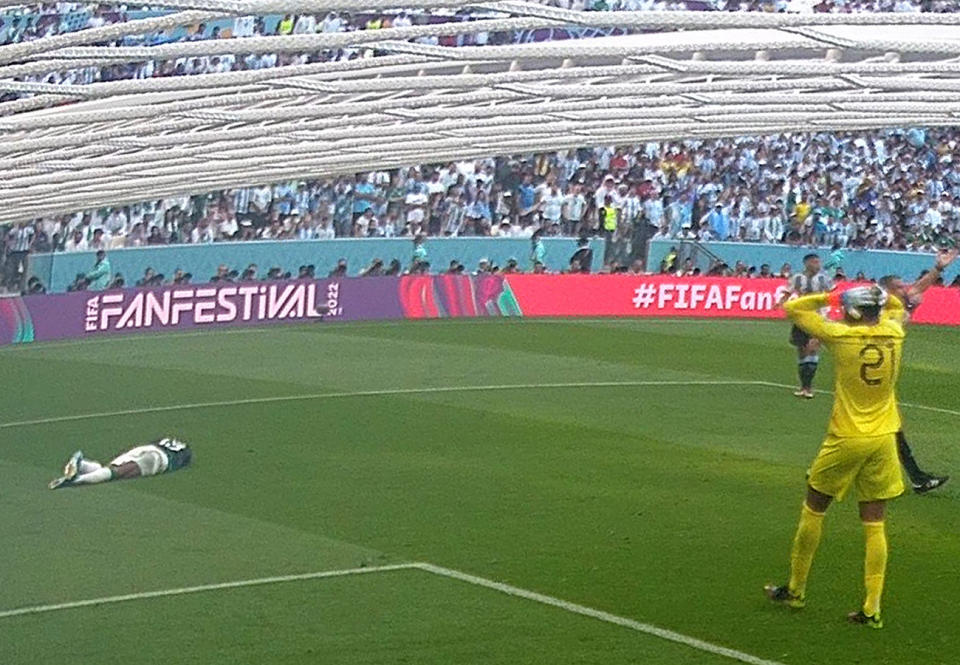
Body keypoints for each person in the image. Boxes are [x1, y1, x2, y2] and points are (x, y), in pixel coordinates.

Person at [766, 285, 906, 629]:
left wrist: (830, 297)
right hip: (884, 436)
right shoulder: (894, 331)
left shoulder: (841, 337)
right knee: (875, 522)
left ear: (854, 312)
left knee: (814, 506)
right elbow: (897, 305)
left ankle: (796, 589)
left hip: (847, 436)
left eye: (846, 308)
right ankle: (872, 607)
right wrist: (876, 294)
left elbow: (795, 309)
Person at [876, 248, 958, 493]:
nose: (906, 289)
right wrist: (910, 309)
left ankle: (917, 477)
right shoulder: (886, 313)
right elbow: (911, 300)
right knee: (887, 429)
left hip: (882, 380)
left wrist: (939, 269)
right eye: (900, 287)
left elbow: (917, 290)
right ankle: (917, 478)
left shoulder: (888, 307)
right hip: (873, 381)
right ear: (890, 291)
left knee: (885, 430)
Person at [49, 438, 193, 490]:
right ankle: (77, 480)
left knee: (110, 469)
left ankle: (83, 464)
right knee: (116, 474)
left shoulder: (166, 439)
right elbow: (183, 461)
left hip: (146, 448)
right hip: (160, 459)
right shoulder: (186, 451)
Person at [787, 254, 832, 399]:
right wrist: (780, 302)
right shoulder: (797, 277)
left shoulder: (824, 278)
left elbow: (832, 293)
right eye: (814, 261)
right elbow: (789, 291)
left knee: (812, 349)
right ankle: (803, 387)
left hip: (818, 317)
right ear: (806, 263)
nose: (817, 264)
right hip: (800, 317)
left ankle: (809, 387)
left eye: (818, 261)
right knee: (801, 351)